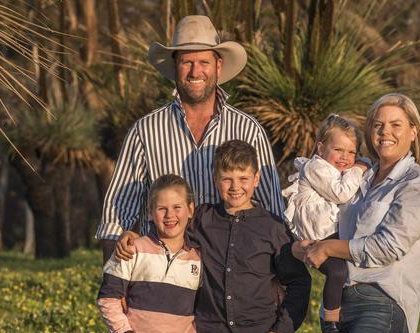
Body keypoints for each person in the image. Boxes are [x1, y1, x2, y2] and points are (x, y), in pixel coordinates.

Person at [96, 15, 284, 263]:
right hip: (163, 275)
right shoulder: (145, 131)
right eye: (187, 62)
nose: (196, 71)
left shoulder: (248, 130)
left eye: (203, 62)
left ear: (218, 66)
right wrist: (115, 287)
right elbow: (117, 214)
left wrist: (274, 279)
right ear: (175, 66)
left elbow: (272, 211)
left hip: (233, 274)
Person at [116, 140, 312, 333]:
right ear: (215, 179)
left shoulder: (273, 227)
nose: (235, 186)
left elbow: (299, 281)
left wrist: (283, 330)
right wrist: (132, 235)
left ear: (256, 179)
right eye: (227, 178)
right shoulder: (202, 220)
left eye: (243, 179)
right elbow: (169, 228)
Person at [293, 94, 420, 333]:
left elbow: (387, 247)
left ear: (413, 132)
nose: (385, 132)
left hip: (381, 305)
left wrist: (327, 247)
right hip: (339, 303)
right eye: (378, 125)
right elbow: (324, 221)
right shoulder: (356, 178)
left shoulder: (418, 185)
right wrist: (301, 246)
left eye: (396, 125)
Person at [282, 114, 368, 333]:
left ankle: (336, 323)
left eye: (352, 152)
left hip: (328, 232)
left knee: (341, 272)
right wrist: (360, 167)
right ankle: (330, 328)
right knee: (337, 271)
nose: (345, 157)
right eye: (338, 149)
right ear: (321, 147)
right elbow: (341, 193)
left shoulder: (335, 169)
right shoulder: (316, 166)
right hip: (318, 235)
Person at [98, 174, 200, 333]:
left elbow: (205, 309)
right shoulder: (131, 249)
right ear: (150, 213)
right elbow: (108, 298)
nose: (170, 215)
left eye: (177, 207)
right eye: (162, 209)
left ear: (190, 209)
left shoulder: (198, 258)